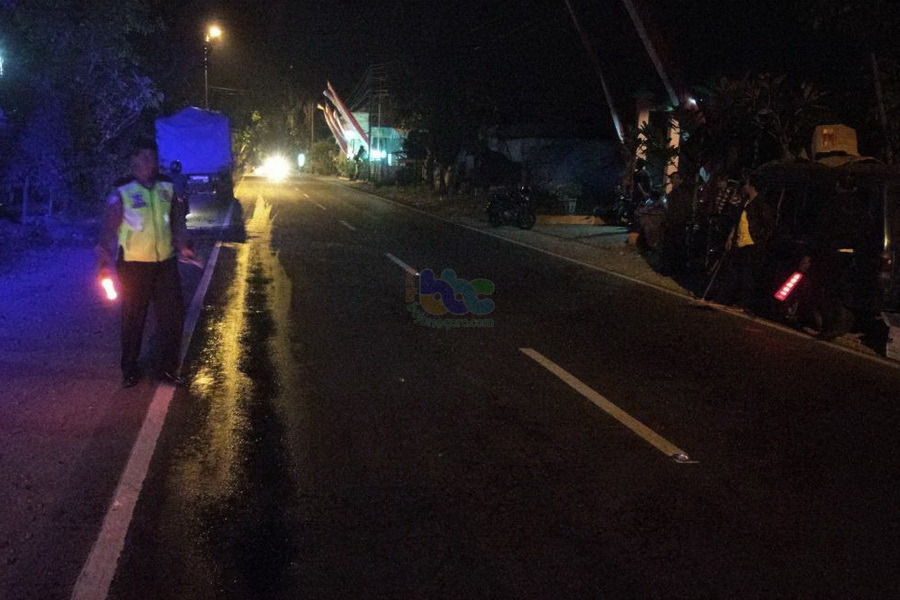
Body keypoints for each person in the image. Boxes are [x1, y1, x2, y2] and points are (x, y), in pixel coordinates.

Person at [95, 137, 194, 388]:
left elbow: (177, 221)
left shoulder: (167, 186)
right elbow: (108, 230)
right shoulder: (122, 191)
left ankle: (167, 369)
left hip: (165, 265)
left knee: (172, 318)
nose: (150, 162)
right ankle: (130, 369)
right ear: (134, 160)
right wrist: (103, 263)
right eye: (144, 157)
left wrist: (183, 244)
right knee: (133, 319)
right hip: (134, 267)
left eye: (153, 157)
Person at [717, 174, 775, 312]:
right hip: (739, 241)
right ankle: (727, 298)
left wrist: (758, 239)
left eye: (747, 184)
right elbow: (738, 221)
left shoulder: (761, 205)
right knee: (733, 271)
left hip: (751, 243)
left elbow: (768, 226)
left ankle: (742, 303)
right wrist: (731, 236)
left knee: (746, 274)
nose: (745, 187)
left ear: (752, 186)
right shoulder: (745, 202)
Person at [661, 171, 694, 273]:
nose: (674, 180)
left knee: (675, 247)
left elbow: (686, 210)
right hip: (673, 224)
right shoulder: (672, 194)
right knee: (672, 247)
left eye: (676, 178)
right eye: (672, 178)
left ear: (681, 180)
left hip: (677, 224)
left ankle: (674, 269)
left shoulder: (682, 194)